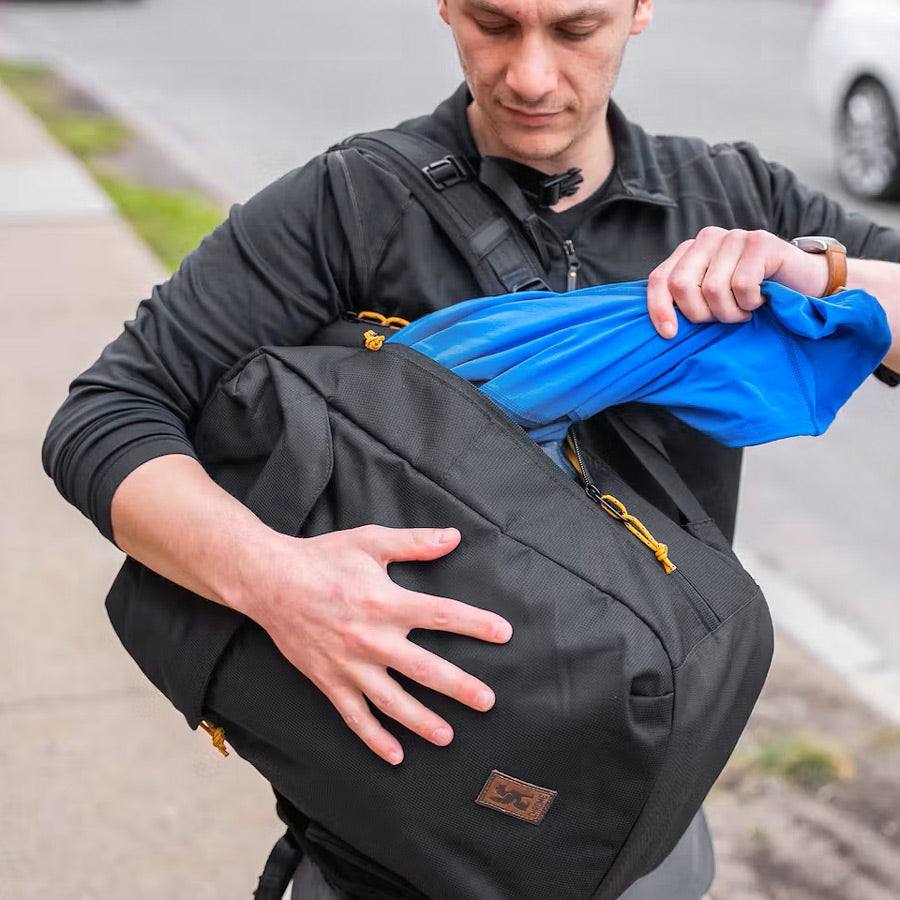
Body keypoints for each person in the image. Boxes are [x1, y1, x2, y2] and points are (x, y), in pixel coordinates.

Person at [42, 1, 900, 897]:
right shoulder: (355, 203)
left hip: (633, 813)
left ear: (641, 8)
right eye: (494, 23)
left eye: (575, 30)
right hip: (393, 837)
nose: (529, 75)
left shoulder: (727, 200)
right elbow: (106, 415)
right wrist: (273, 578)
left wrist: (817, 273)